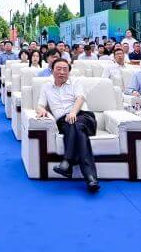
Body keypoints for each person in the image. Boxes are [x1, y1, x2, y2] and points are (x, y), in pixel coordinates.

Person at [35, 58, 99, 193]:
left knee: (74, 123)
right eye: (58, 69)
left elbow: (80, 98)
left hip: (83, 117)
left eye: (65, 69)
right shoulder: (46, 87)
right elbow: (40, 105)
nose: (62, 72)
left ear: (69, 71)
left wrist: (73, 112)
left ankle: (67, 161)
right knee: (78, 131)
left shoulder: (76, 82)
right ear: (52, 70)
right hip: (63, 122)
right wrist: (41, 110)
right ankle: (91, 178)